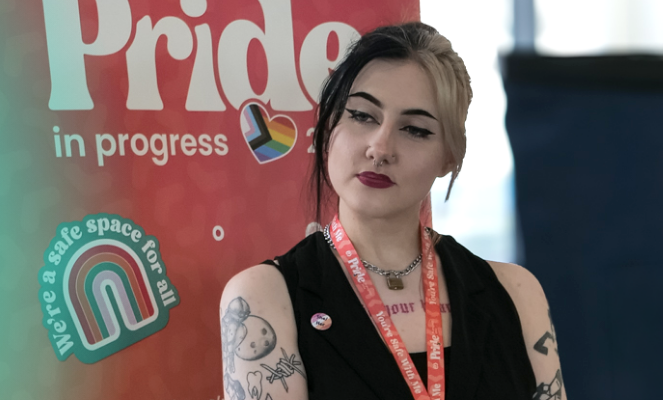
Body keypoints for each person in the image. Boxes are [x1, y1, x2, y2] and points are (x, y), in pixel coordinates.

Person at [220, 22, 565, 400]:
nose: (380, 147)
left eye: (415, 129)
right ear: (329, 126)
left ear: (449, 156)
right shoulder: (265, 297)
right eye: (363, 116)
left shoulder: (515, 294)